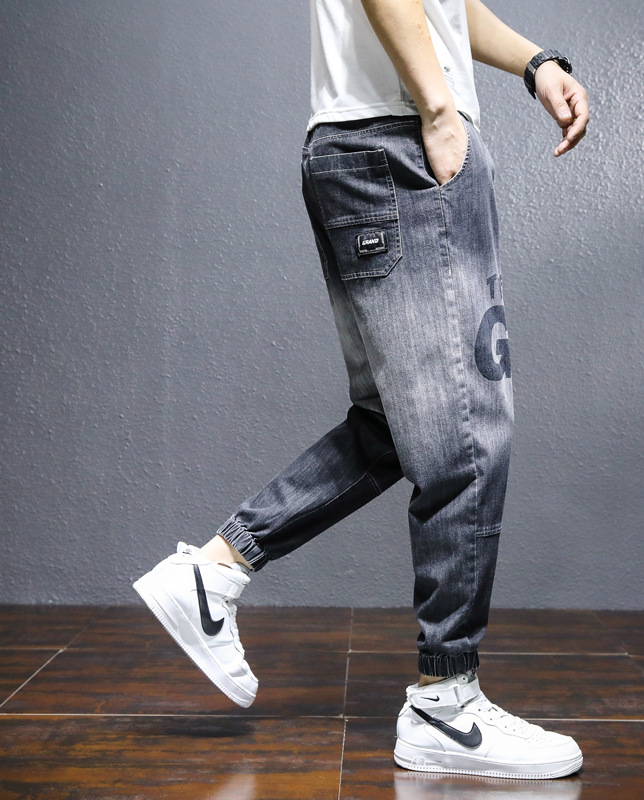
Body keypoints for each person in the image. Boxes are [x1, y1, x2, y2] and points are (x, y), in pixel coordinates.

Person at [134, 0, 589, 781]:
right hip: (401, 138)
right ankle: (446, 702)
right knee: (466, 428)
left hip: (361, 143)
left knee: (400, 422)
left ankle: (214, 571)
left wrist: (535, 62)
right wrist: (439, 108)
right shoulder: (420, 118)